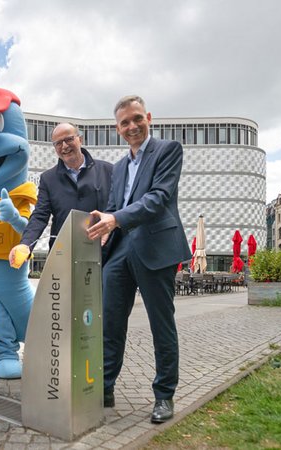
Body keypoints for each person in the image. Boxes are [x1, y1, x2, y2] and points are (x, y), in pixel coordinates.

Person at [87, 95, 191, 423]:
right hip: (120, 252)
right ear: (117, 129)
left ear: (148, 117)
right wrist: (106, 220)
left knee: (162, 324)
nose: (132, 127)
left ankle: (164, 395)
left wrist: (116, 218)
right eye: (124, 123)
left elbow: (159, 198)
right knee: (111, 323)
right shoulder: (119, 167)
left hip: (156, 248)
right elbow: (117, 203)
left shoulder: (168, 150)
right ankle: (104, 388)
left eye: (136, 119)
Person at [9, 122, 113, 264]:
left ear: (80, 139)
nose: (64, 146)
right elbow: (40, 215)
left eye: (69, 139)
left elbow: (120, 207)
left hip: (106, 252)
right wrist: (26, 244)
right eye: (58, 143)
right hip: (65, 256)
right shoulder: (48, 178)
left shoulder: (108, 170)